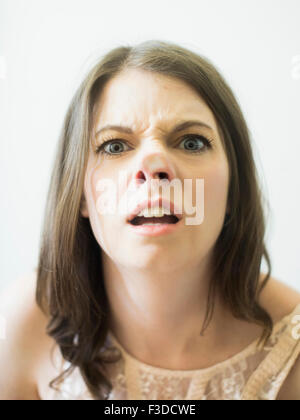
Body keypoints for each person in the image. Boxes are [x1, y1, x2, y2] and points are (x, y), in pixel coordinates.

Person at [0, 40, 299, 400]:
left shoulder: (293, 347)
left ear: (233, 189)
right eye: (114, 146)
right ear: (79, 194)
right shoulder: (22, 325)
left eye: (191, 142)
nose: (154, 164)